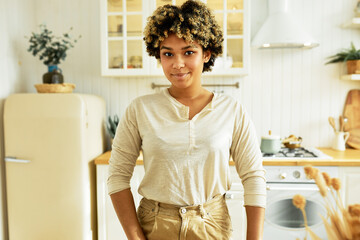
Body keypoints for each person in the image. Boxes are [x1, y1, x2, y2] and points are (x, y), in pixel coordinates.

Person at [107, 1, 266, 239]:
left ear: (207, 54)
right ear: (158, 56)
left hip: (212, 225)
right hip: (154, 224)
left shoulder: (232, 110)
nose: (177, 64)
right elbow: (117, 177)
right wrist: (135, 237)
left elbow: (253, 178)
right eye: (167, 54)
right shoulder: (140, 109)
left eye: (189, 52)